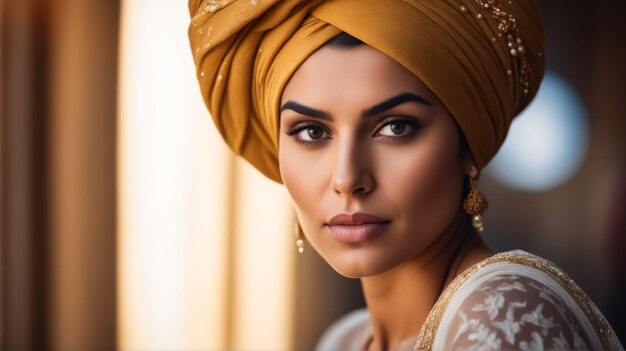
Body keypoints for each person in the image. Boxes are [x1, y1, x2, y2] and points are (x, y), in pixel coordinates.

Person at [187, 0, 623, 349]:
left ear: (466, 144)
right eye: (312, 131)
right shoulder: (345, 341)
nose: (347, 177)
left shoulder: (501, 313)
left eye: (395, 127)